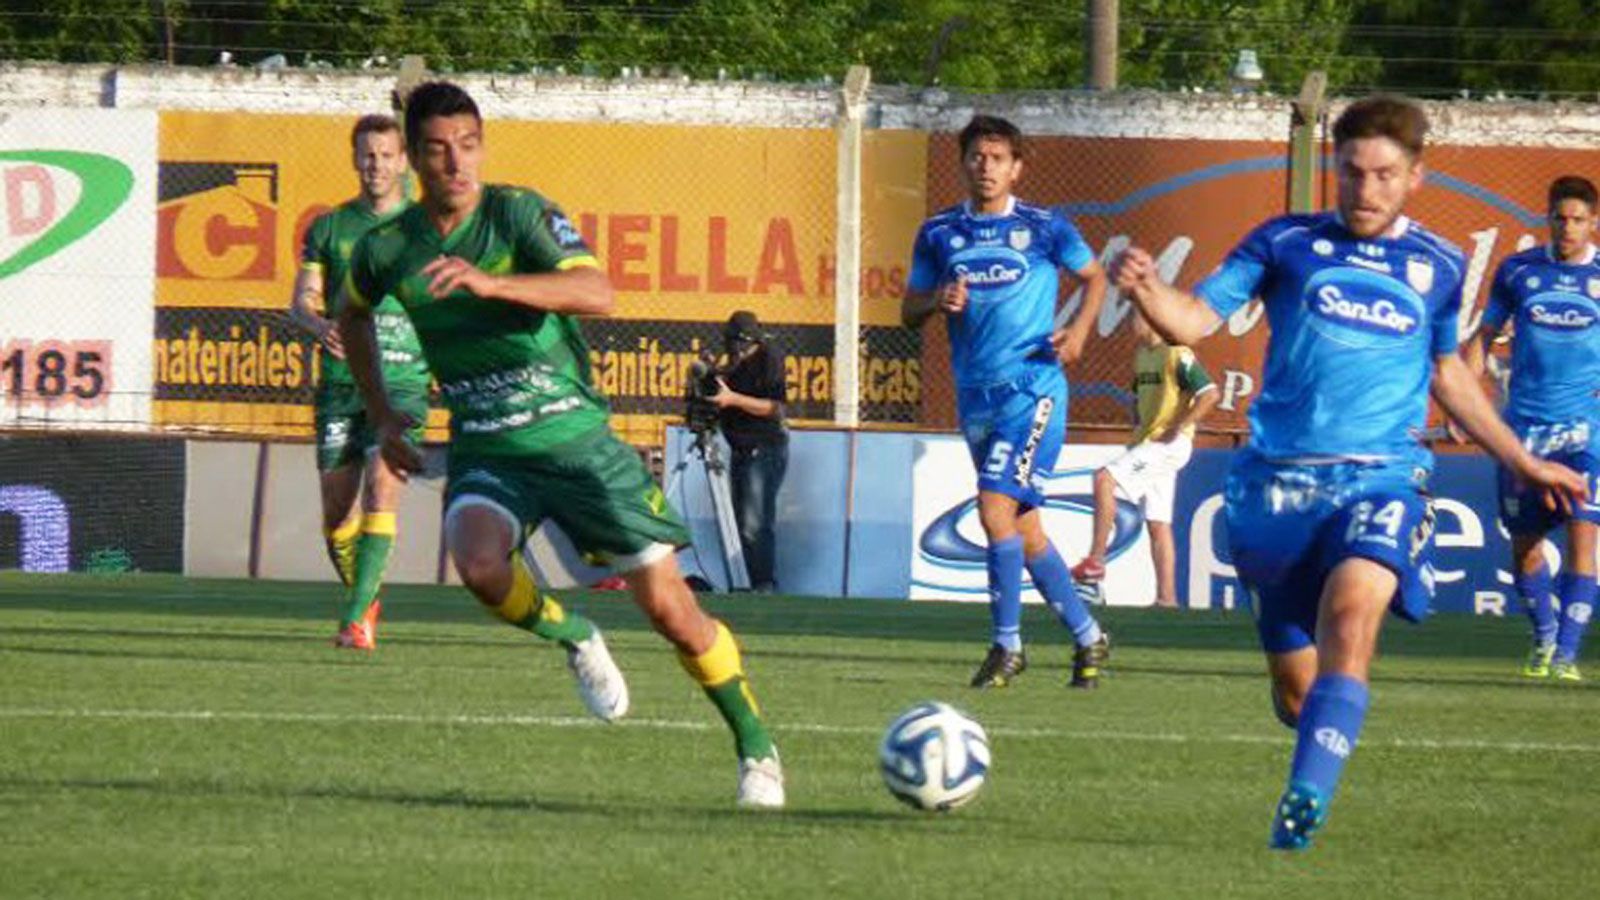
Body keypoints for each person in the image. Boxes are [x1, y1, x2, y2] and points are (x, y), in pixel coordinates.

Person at [1110, 95, 1586, 849]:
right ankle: (1314, 732)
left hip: (1380, 475)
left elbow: (1447, 374)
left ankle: (1303, 802)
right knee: (1298, 696)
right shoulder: (1283, 242)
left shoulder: (1437, 264)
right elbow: (1193, 319)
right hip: (1274, 487)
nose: (1366, 190)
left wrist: (1523, 458)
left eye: (1385, 175)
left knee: (1351, 617)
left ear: (1415, 177)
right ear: (1333, 166)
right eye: (1353, 172)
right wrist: (1144, 290)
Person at [337, 81, 783, 808]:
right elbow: (351, 315)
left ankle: (757, 749)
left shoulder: (517, 213)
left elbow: (598, 292)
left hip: (578, 445)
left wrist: (493, 286)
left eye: (469, 146)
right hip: (490, 448)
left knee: (674, 614)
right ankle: (576, 635)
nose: (457, 163)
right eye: (439, 150)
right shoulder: (389, 247)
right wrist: (385, 415)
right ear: (415, 158)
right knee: (478, 564)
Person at [902, 114, 1113, 689]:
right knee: (1028, 531)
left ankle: (1007, 646)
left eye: (998, 158)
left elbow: (1095, 278)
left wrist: (1079, 332)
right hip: (977, 398)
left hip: (1033, 389)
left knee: (994, 510)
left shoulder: (1045, 228)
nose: (987, 167)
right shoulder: (940, 232)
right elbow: (907, 309)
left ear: (1016, 167)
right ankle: (1089, 635)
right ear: (964, 163)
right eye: (977, 157)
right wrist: (936, 300)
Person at [288, 113, 429, 650]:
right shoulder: (330, 227)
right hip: (342, 384)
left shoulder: (426, 228)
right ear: (354, 159)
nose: (376, 164)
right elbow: (301, 300)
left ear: (402, 161)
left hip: (402, 384)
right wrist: (318, 322)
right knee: (335, 513)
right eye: (367, 154)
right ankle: (365, 596)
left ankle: (355, 622)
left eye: (386, 154)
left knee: (381, 489)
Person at [1466, 175, 1600, 682]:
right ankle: (1544, 638)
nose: (1568, 228)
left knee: (1585, 539)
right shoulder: (1518, 271)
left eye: (1578, 219)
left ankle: (1565, 655)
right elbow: (1482, 340)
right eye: (1560, 218)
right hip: (1523, 431)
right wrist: (1467, 405)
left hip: (1586, 432)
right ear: (1548, 218)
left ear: (1593, 222)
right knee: (1525, 547)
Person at [1072, 311, 1219, 607]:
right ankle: (1167, 599)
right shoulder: (1143, 357)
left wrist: (1178, 426)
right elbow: (1140, 401)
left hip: (1168, 443)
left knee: (1104, 479)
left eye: (1137, 317)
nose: (1131, 323)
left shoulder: (1177, 354)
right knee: (1158, 523)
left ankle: (1095, 564)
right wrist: (1138, 434)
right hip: (1150, 442)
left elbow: (1209, 394)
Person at [709, 310, 789, 593]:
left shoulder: (769, 358)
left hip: (765, 446)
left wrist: (732, 399)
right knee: (740, 522)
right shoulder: (731, 365)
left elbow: (775, 409)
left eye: (744, 344)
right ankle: (745, 582)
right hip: (740, 447)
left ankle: (764, 584)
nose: (739, 350)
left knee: (754, 523)